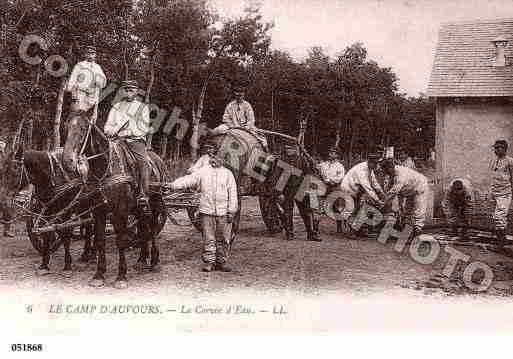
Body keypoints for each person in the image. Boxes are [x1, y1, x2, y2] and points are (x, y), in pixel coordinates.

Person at [168, 142, 238, 272]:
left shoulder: (228, 174)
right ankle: (209, 262)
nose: (216, 160)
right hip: (207, 211)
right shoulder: (203, 172)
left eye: (219, 158)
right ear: (210, 158)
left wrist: (232, 211)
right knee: (209, 238)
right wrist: (173, 185)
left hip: (224, 213)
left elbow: (233, 194)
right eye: (214, 157)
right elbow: (188, 180)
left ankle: (221, 262)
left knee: (224, 239)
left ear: (223, 160)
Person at [104, 80, 151, 213]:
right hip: (116, 141)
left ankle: (143, 194)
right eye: (126, 89)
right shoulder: (116, 106)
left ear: (136, 92)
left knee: (143, 162)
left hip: (134, 141)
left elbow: (144, 127)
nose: (128, 92)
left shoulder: (142, 107)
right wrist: (109, 130)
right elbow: (108, 125)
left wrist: (129, 132)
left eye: (131, 90)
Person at [380, 159, 429, 238]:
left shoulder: (401, 173)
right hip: (407, 190)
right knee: (406, 210)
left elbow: (394, 191)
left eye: (387, 171)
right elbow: (388, 189)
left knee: (419, 209)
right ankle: (406, 228)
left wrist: (383, 203)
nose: (386, 174)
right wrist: (385, 200)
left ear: (390, 168)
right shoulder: (390, 175)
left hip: (420, 186)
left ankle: (418, 230)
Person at [339, 151, 386, 231]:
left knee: (358, 208)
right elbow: (367, 187)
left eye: (377, 163)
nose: (376, 165)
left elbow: (374, 183)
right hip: (348, 188)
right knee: (352, 209)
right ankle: (350, 229)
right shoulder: (361, 170)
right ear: (370, 162)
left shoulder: (369, 168)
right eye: (375, 163)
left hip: (356, 189)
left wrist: (382, 194)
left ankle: (355, 228)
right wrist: (378, 200)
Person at [66, 45, 106, 115]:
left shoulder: (97, 67)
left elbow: (103, 82)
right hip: (80, 95)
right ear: (85, 54)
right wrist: (73, 92)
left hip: (92, 97)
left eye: (92, 54)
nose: (90, 55)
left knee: (89, 118)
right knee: (76, 115)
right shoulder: (80, 65)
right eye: (88, 53)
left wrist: (99, 82)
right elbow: (72, 79)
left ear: (95, 55)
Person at [489, 140, 513, 245]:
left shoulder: (510, 161)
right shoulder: (494, 161)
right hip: (495, 193)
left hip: (505, 193)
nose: (498, 149)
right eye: (496, 147)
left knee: (500, 217)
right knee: (495, 217)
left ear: (505, 149)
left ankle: (501, 243)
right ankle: (499, 240)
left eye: (500, 147)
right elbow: (493, 177)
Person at [318, 146, 345, 233]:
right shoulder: (324, 164)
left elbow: (340, 177)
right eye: (330, 152)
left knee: (337, 207)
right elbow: (317, 169)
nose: (330, 154)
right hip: (324, 186)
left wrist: (330, 180)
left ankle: (339, 226)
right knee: (319, 205)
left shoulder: (340, 166)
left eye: (333, 153)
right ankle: (315, 227)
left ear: (337, 155)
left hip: (334, 187)